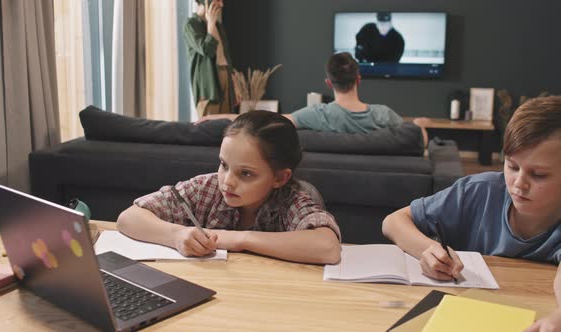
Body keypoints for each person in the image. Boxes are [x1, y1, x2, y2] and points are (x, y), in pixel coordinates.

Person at [382, 96, 561, 331]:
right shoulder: (478, 191)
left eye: (538, 174)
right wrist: (426, 250)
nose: (519, 183)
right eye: (512, 166)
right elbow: (393, 221)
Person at [117, 110, 341, 265]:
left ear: (280, 178)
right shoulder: (207, 187)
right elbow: (128, 218)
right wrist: (176, 234)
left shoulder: (291, 199)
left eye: (246, 173)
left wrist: (240, 239)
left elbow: (328, 247)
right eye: (224, 165)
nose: (227, 181)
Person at [197, 52, 428, 145]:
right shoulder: (384, 114)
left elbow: (264, 120)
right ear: (359, 79)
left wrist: (219, 116)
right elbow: (417, 140)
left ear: (329, 83)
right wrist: (420, 126)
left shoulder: (317, 115)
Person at [183, 0, 236, 118]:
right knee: (209, 127)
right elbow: (207, 50)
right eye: (218, 1)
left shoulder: (218, 25)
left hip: (224, 75)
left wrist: (234, 84)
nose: (221, 5)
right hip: (209, 85)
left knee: (226, 126)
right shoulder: (191, 24)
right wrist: (210, 23)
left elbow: (226, 56)